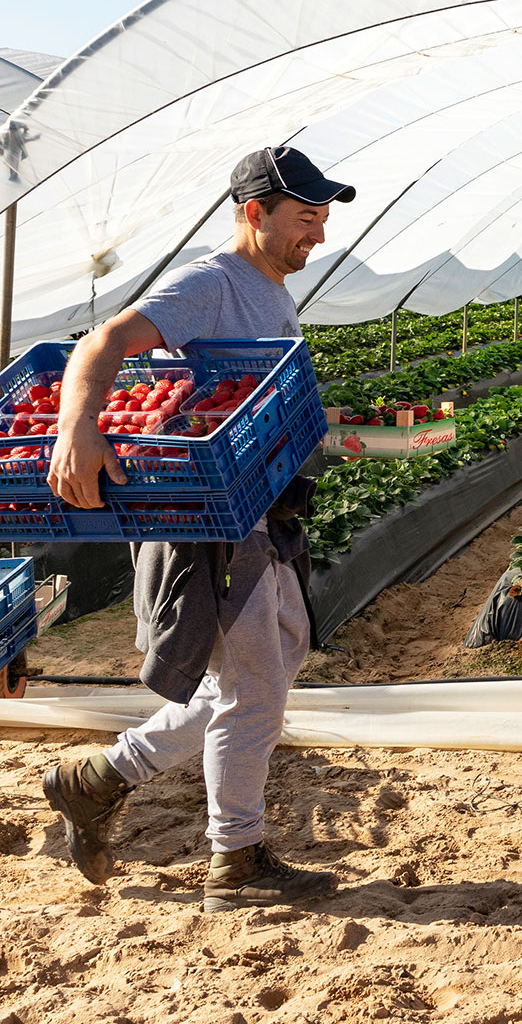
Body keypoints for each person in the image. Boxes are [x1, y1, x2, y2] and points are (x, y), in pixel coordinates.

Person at [40, 146, 352, 912]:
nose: (318, 234)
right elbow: (101, 343)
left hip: (259, 511)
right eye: (305, 218)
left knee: (272, 663)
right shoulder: (210, 284)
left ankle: (97, 779)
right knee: (253, 693)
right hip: (209, 521)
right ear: (255, 214)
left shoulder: (270, 289)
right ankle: (235, 861)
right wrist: (77, 428)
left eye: (322, 219)